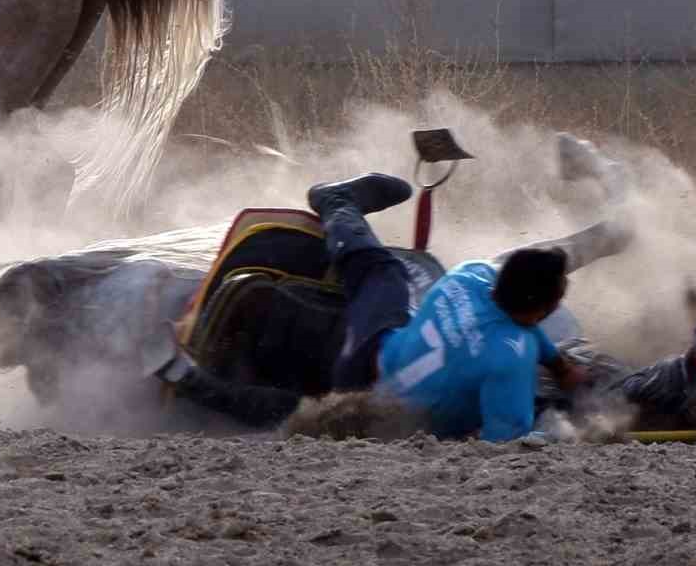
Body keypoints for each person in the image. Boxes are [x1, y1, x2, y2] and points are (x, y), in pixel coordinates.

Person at [150, 172, 586, 441]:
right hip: (372, 395)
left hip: (373, 342)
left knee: (381, 270)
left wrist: (558, 362)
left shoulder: (473, 277)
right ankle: (187, 378)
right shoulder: (510, 359)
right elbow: (504, 444)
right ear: (540, 309)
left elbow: (520, 326)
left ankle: (336, 203)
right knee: (304, 419)